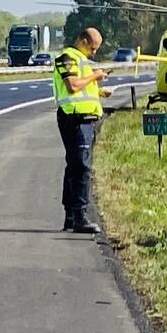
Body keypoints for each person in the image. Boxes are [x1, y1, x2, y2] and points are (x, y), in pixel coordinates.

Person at [52, 27, 112, 234]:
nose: (94, 52)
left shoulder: (81, 59)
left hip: (85, 119)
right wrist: (94, 77)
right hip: (75, 119)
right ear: (83, 40)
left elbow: (83, 88)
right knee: (82, 168)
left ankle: (71, 215)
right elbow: (73, 86)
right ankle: (80, 216)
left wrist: (99, 91)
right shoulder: (67, 57)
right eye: (93, 48)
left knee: (74, 166)